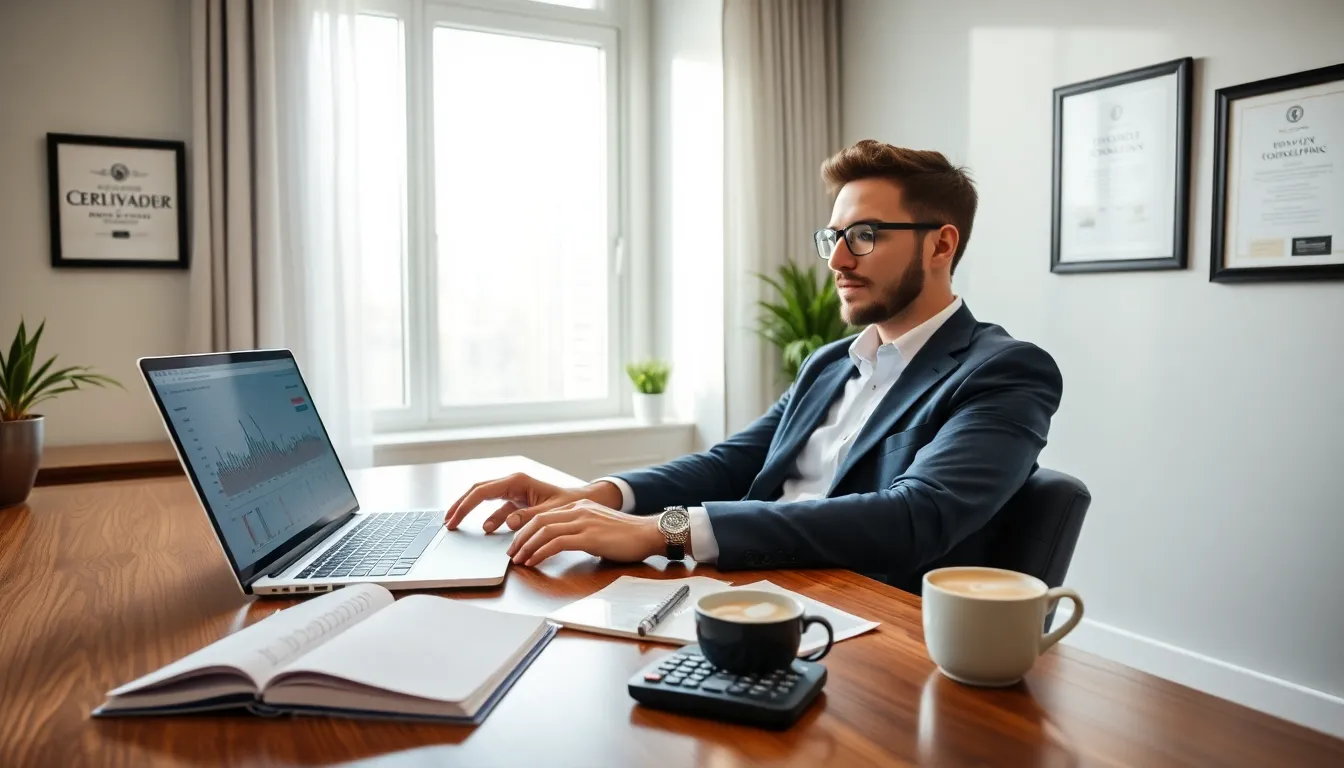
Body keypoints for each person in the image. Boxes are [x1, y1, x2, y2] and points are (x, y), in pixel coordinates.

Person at [445, 139, 1063, 593]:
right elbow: (736, 462)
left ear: (941, 244)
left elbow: (915, 516)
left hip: (861, 617)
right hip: (747, 588)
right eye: (833, 237)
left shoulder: (1004, 371)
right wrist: (601, 495)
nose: (838, 261)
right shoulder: (830, 364)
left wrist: (667, 530)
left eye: (865, 236)